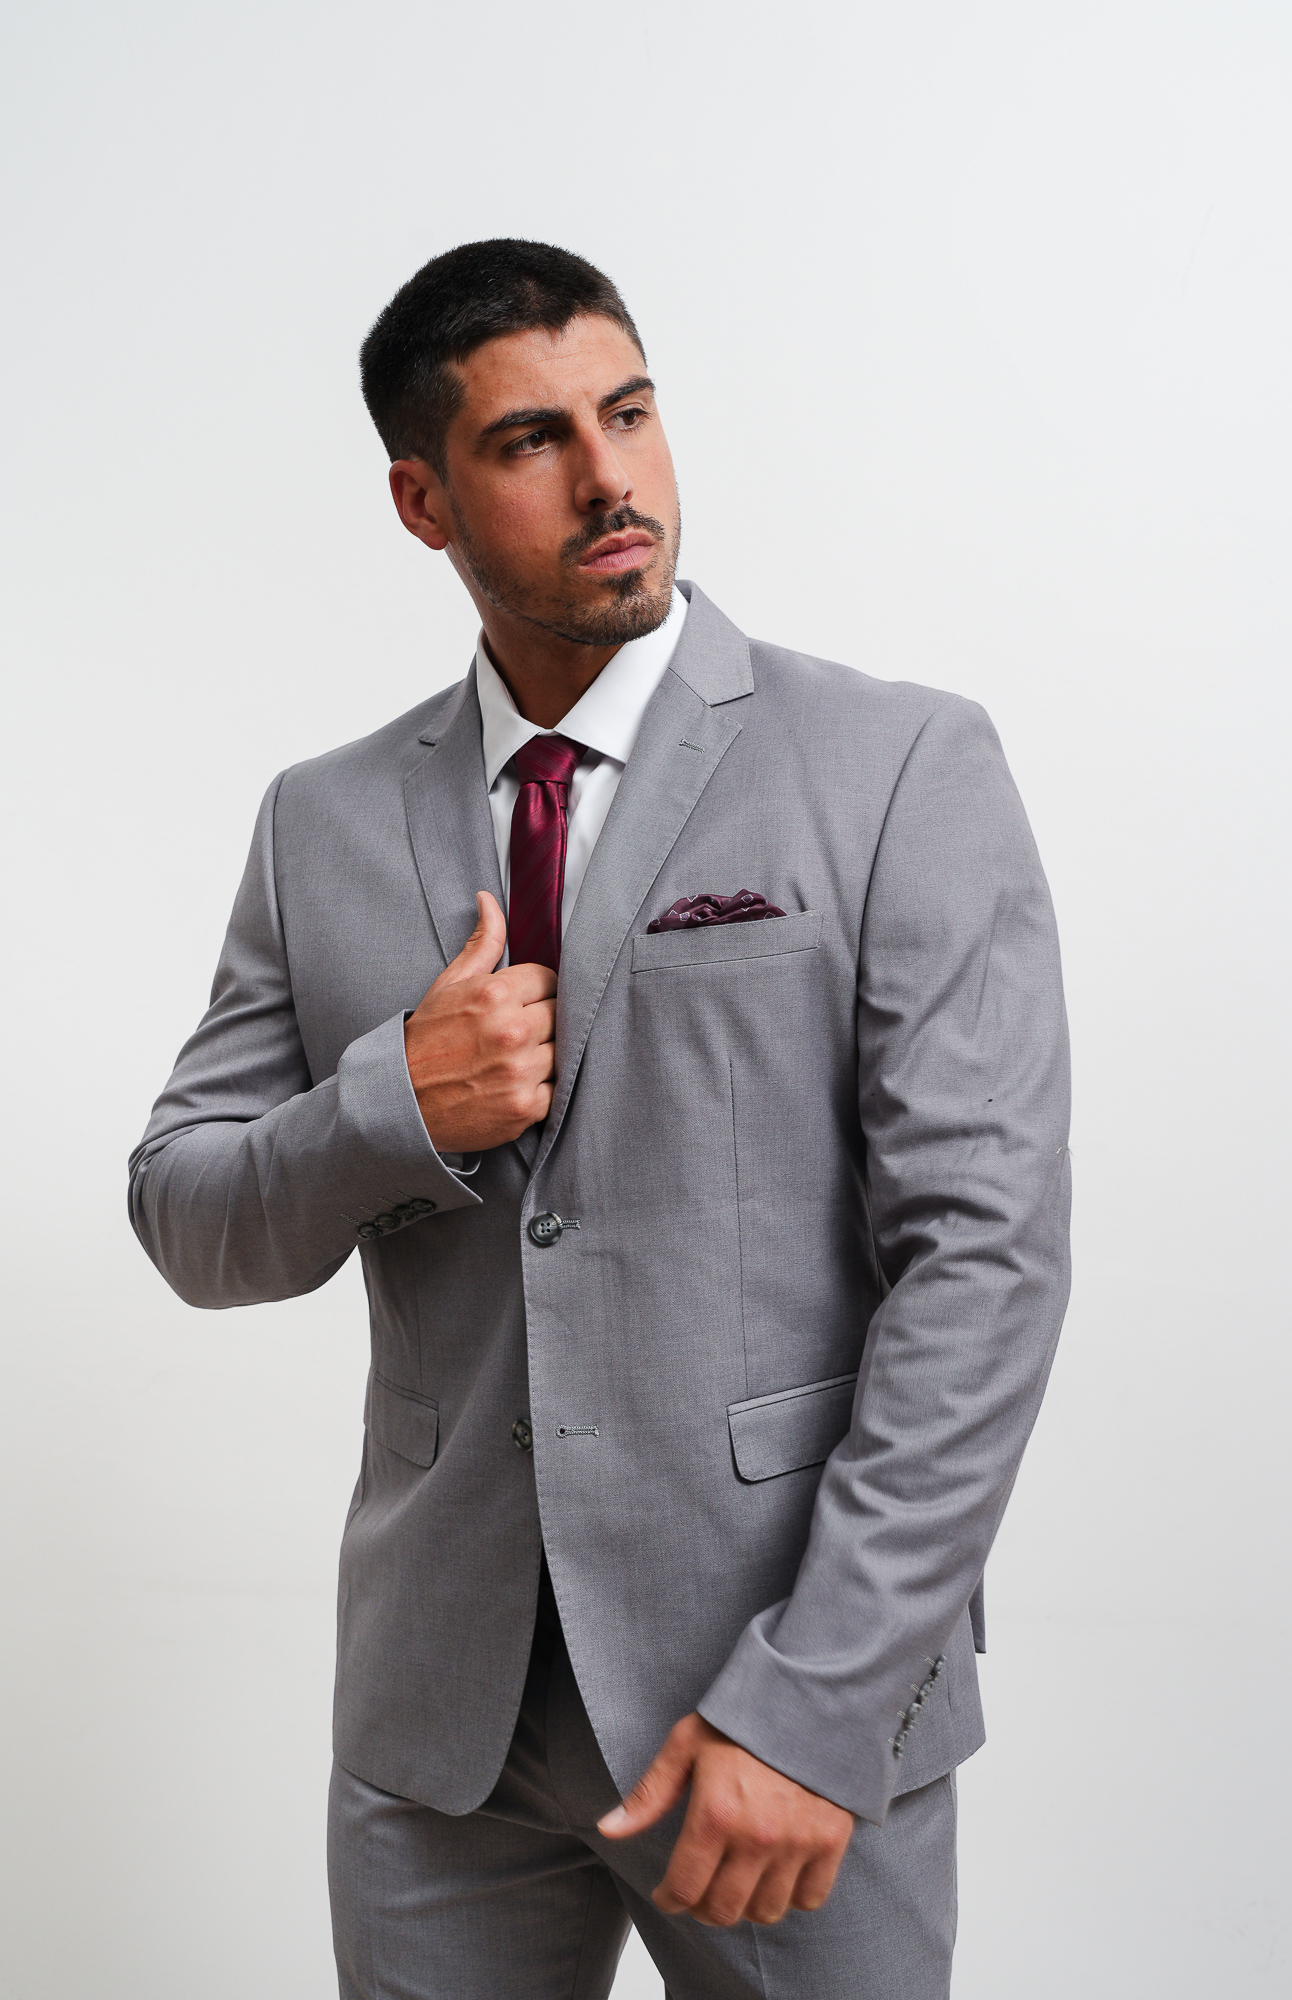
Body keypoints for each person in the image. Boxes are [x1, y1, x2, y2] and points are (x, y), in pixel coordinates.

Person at [129, 239, 1071, 1999]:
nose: (609, 478)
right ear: (421, 500)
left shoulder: (894, 766)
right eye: (532, 440)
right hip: (441, 1733)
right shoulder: (320, 820)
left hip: (772, 1700)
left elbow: (985, 1267)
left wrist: (821, 1700)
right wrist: (389, 1105)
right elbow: (188, 1216)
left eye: (628, 415)